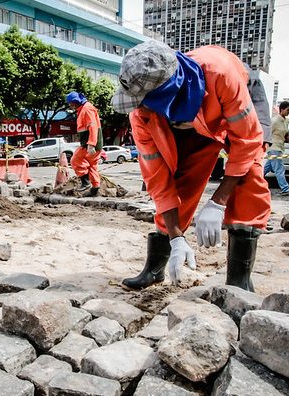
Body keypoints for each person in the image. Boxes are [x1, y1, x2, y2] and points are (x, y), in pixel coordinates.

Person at [113, 40, 271, 292]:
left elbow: (247, 141)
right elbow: (158, 180)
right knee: (181, 180)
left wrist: (217, 203)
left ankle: (238, 281)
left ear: (165, 91)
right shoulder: (142, 114)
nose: (138, 106)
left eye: (143, 100)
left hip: (236, 95)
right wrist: (177, 238)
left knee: (250, 175)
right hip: (193, 119)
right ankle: (155, 268)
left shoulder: (221, 76)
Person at [66, 91, 103, 197]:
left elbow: (93, 126)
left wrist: (91, 144)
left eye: (71, 103)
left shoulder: (86, 109)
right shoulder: (84, 108)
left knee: (75, 160)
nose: (70, 106)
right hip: (93, 143)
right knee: (92, 165)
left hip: (89, 143)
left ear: (75, 101)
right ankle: (95, 188)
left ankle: (85, 183)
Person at [264, 101, 289, 194]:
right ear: (282, 109)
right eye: (288, 110)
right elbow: (266, 133)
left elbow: (286, 136)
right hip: (273, 148)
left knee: (265, 169)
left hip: (279, 148)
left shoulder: (286, 121)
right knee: (279, 169)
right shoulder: (274, 121)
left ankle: (250, 182)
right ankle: (285, 188)